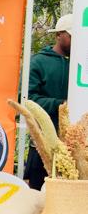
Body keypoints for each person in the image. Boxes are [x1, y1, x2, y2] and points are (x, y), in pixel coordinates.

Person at [23, 14, 72, 189]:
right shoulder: (38, 62)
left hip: (73, 146)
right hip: (43, 143)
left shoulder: (81, 64)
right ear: (58, 35)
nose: (76, 40)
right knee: (39, 192)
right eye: (71, 36)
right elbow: (30, 100)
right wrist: (63, 104)